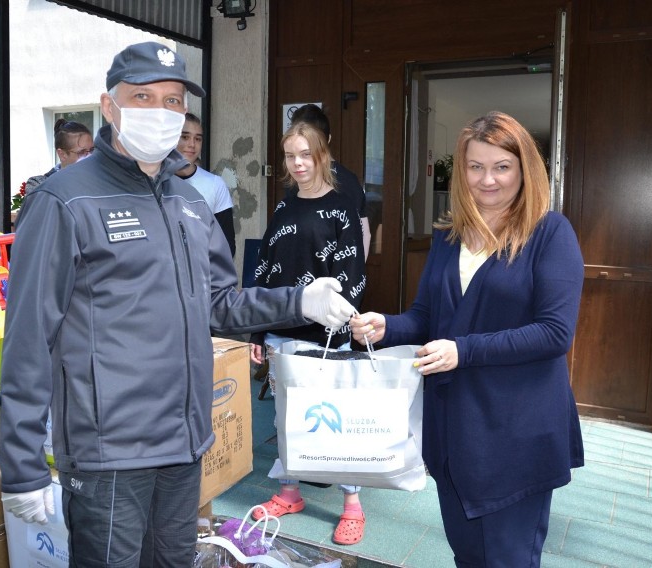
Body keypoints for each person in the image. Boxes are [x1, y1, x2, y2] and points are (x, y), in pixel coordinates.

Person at [0, 41, 356, 568]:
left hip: (184, 444)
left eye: (172, 101)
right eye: (142, 96)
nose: (160, 112)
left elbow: (218, 304)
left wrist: (301, 300)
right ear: (109, 105)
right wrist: (22, 464)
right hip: (109, 455)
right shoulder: (64, 201)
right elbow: (28, 335)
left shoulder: (188, 202)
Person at [350, 111, 584, 567]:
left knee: (508, 559)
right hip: (454, 428)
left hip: (516, 432)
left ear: (525, 169)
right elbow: (427, 316)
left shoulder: (550, 233)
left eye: (502, 166)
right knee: (468, 556)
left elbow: (555, 333)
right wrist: (387, 325)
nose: (487, 180)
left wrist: (464, 350)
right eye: (476, 167)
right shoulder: (448, 236)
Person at [249, 121, 368, 545]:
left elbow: (353, 275)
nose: (297, 164)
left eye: (305, 154)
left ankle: (352, 505)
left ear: (322, 156)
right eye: (289, 156)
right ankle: (289, 493)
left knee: (334, 421)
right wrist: (257, 332)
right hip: (282, 333)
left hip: (325, 340)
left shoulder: (342, 207)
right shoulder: (284, 207)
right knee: (286, 419)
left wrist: (336, 328)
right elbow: (263, 271)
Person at [289, 103, 370, 260]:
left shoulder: (299, 179)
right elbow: (364, 232)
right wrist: (355, 273)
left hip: (306, 276)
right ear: (329, 138)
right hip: (344, 275)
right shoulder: (351, 180)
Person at [175, 112, 236, 257]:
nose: (192, 144)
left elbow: (227, 246)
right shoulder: (154, 181)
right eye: (185, 137)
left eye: (198, 139)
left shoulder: (215, 184)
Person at [24, 119, 93, 194]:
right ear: (62, 154)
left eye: (92, 150)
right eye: (81, 152)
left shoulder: (99, 180)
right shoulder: (38, 184)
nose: (90, 156)